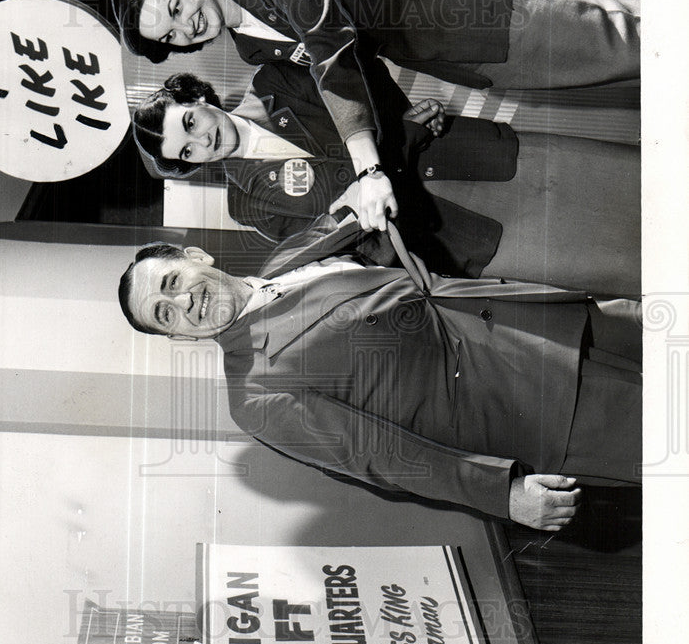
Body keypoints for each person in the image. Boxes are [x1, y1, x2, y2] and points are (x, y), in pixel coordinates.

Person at [117, 212, 642, 531]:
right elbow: (376, 455)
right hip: (529, 406)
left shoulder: (287, 260)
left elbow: (369, 219)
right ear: (177, 337)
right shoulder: (252, 395)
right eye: (166, 313)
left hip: (542, 319)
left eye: (172, 280)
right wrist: (500, 493)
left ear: (194, 255)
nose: (185, 301)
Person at [111, 0, 640, 227]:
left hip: (472, 8)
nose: (186, 26)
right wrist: (400, 124)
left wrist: (367, 168)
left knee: (627, 37)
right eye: (172, 36)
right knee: (614, 68)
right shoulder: (253, 48)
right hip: (457, 57)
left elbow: (332, 54)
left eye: (175, 6)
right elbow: (357, 76)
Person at [131, 59, 640, 296]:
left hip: (468, 157)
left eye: (191, 124)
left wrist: (408, 117)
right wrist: (399, 137)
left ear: (196, 98)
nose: (203, 141)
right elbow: (343, 240)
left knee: (631, 181)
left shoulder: (273, 81)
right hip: (457, 234)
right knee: (620, 264)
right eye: (187, 152)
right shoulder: (249, 207)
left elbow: (360, 86)